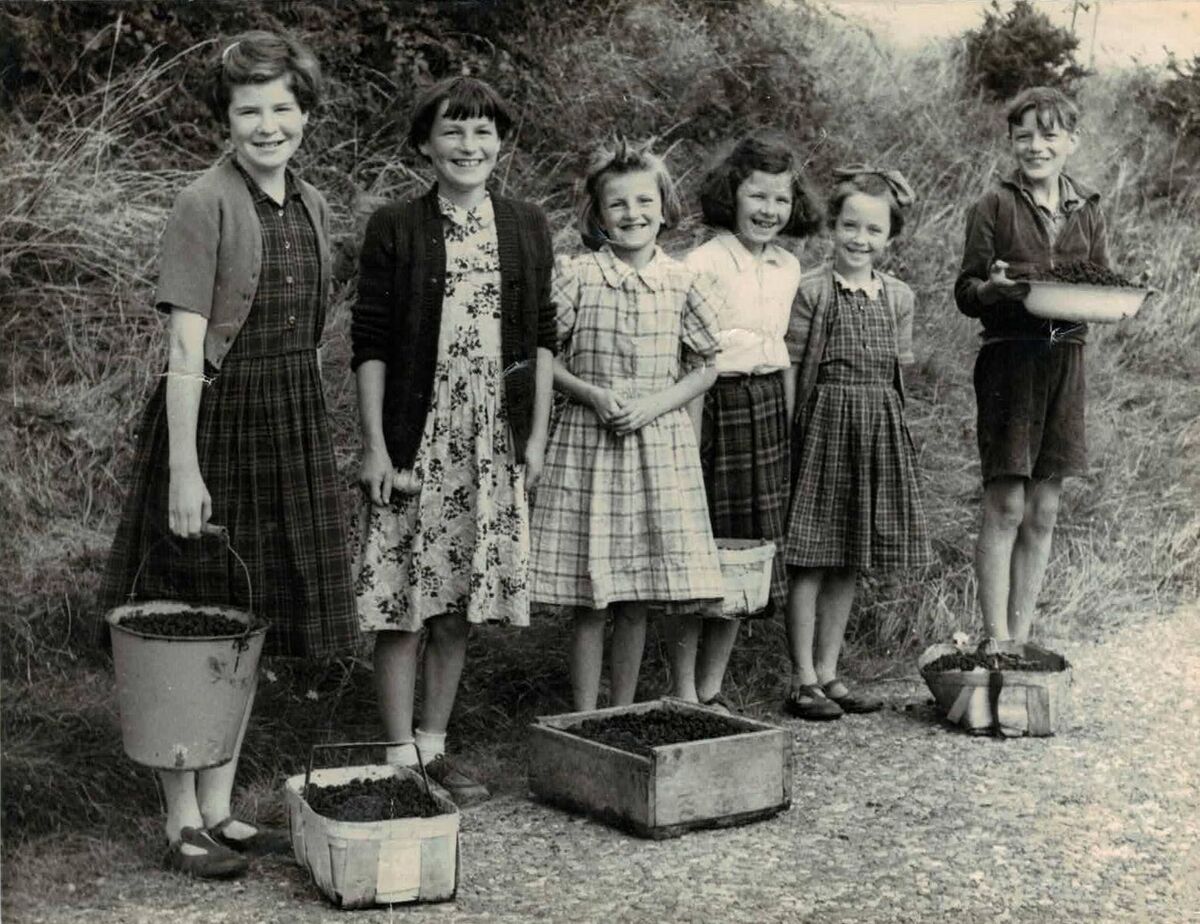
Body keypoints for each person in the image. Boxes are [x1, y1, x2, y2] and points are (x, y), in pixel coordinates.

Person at [99, 32, 357, 877]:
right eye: (250, 109)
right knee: (197, 621)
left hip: (289, 424)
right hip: (215, 422)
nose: (268, 123)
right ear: (226, 119)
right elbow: (184, 346)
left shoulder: (313, 204)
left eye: (283, 107)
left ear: (307, 115)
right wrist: (184, 468)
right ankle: (181, 821)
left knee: (252, 625)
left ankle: (221, 808)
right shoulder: (202, 202)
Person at [352, 76, 555, 807]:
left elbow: (541, 340)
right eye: (452, 131)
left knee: (460, 603)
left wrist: (533, 436)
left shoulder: (528, 225)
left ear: (501, 143)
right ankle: (398, 756)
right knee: (403, 598)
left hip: (491, 439)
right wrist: (375, 445)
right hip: (417, 432)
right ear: (424, 144)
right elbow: (369, 342)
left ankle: (435, 751)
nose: (468, 145)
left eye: (482, 132)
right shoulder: (396, 227)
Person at [530, 140, 725, 712]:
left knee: (637, 595)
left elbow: (706, 366)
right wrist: (590, 393)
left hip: (657, 446)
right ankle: (586, 715)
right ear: (598, 214)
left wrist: (658, 404)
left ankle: (625, 711)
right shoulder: (577, 275)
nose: (633, 214)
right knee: (591, 596)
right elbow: (545, 357)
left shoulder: (684, 282)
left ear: (664, 209)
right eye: (618, 204)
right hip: (589, 446)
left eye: (645, 202)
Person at [955, 87, 1109, 643]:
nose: (1036, 146)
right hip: (1010, 363)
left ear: (1072, 141)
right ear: (1011, 142)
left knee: (1044, 509)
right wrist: (993, 291)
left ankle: (1021, 638)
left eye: (1049, 134)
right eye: (1024, 136)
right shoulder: (992, 206)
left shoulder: (1088, 207)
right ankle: (995, 639)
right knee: (1006, 503)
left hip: (1067, 360)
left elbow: (1102, 282)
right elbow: (966, 291)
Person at [675, 132, 821, 710]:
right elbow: (688, 358)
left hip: (764, 410)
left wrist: (786, 424)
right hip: (714, 406)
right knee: (702, 552)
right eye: (757, 196)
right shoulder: (703, 262)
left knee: (748, 554)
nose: (768, 211)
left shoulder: (788, 265)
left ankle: (711, 688)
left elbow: (780, 350)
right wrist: (690, 436)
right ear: (731, 195)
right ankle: (681, 687)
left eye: (780, 200)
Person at [782, 166, 932, 721]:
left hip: (875, 430)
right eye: (849, 226)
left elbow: (899, 372)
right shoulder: (813, 291)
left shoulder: (898, 297)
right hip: (823, 427)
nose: (859, 240)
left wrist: (896, 434)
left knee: (849, 555)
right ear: (832, 226)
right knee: (810, 556)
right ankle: (801, 678)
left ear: (889, 237)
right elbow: (794, 367)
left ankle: (828, 670)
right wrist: (792, 429)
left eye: (873, 231)